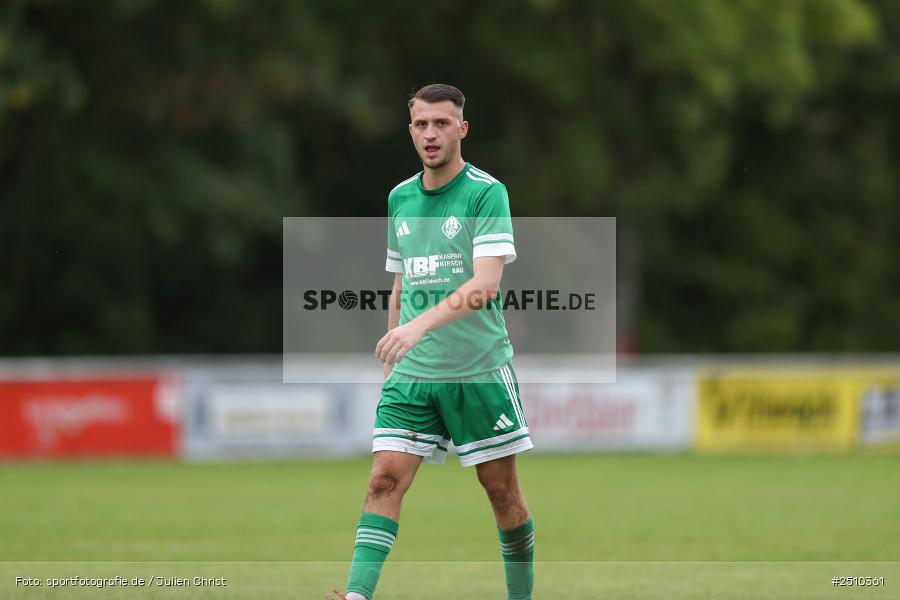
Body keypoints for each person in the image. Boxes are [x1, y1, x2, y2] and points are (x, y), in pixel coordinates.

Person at [327, 84, 534, 600]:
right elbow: (401, 286)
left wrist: (418, 327)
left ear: (461, 130)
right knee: (383, 481)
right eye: (421, 124)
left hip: (478, 369)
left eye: (442, 123)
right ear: (411, 131)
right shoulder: (400, 198)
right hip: (415, 375)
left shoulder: (486, 193)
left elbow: (485, 285)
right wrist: (393, 357)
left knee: (501, 491)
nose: (430, 134)